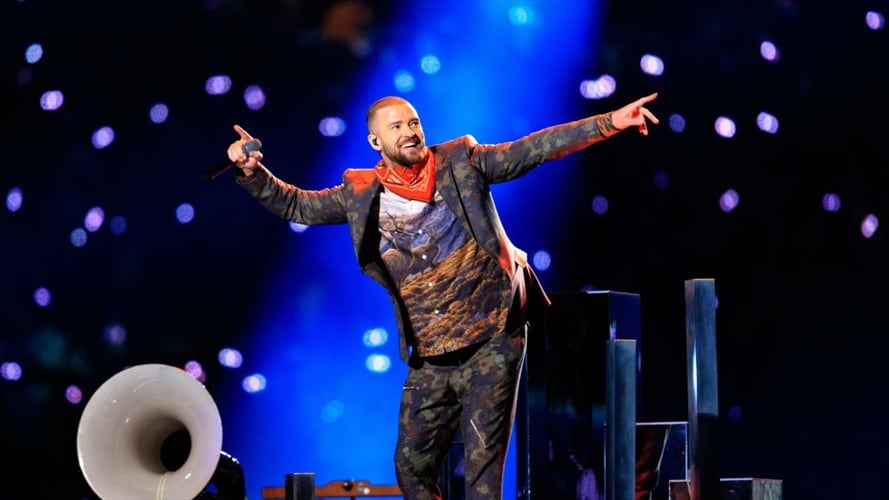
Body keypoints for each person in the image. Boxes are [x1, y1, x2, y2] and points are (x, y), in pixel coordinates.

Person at [225, 92, 659, 499]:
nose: (411, 132)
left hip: (493, 337)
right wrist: (252, 173)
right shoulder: (360, 194)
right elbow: (297, 205)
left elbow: (535, 148)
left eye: (414, 122)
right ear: (375, 140)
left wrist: (611, 121)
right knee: (410, 466)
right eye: (397, 127)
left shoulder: (461, 161)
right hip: (431, 351)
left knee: (481, 478)